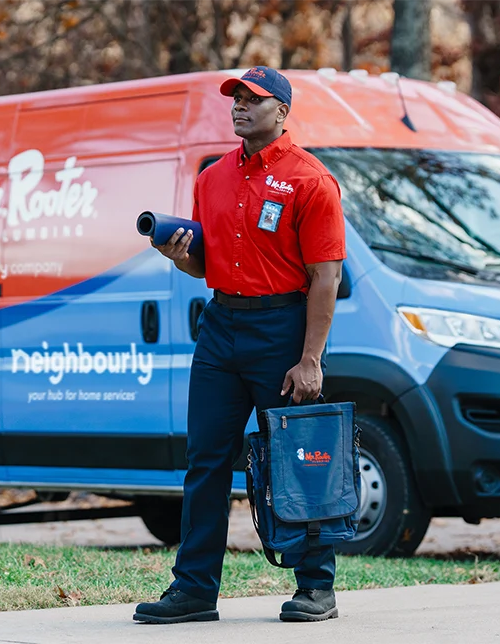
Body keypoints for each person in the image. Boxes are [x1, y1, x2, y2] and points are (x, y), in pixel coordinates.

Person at [134, 66, 347, 624]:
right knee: (205, 460)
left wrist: (310, 359)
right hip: (220, 326)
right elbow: (202, 264)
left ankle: (315, 587)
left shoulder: (311, 181)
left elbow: (326, 278)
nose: (239, 107)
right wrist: (179, 255)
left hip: (282, 328)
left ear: (281, 111)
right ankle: (194, 590)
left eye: (253, 100)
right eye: (235, 99)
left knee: (295, 457)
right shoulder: (212, 178)